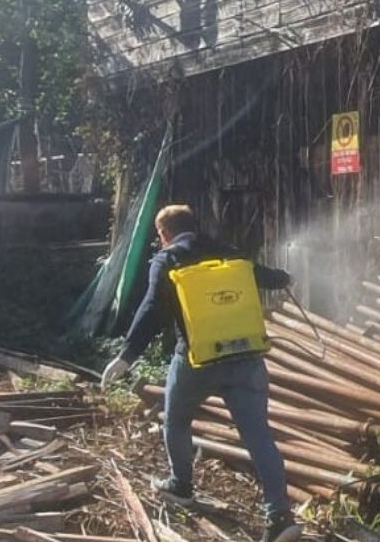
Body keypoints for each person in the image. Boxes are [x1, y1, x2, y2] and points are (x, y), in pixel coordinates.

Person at [101, 204, 301, 542]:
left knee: (176, 421)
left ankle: (181, 485)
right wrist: (285, 278)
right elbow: (267, 277)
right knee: (259, 437)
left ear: (164, 234)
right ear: (194, 226)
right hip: (246, 358)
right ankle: (280, 516)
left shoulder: (167, 259)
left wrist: (127, 356)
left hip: (197, 361)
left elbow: (152, 307)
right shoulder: (229, 252)